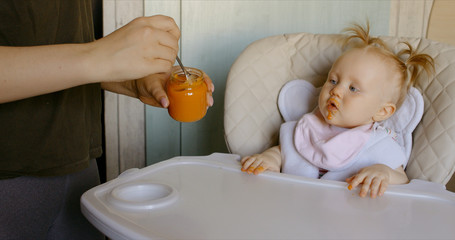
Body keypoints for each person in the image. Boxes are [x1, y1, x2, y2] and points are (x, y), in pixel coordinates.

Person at [0, 1, 214, 239]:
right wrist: (100, 57)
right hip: (9, 180)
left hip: (79, 166)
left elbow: (51, 40)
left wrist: (129, 80)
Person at [241, 22, 434, 198]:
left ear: (382, 112)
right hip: (295, 210)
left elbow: (403, 180)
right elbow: (285, 151)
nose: (336, 90)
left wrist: (384, 173)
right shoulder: (306, 128)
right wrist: (270, 159)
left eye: (353, 89)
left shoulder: (379, 144)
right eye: (333, 80)